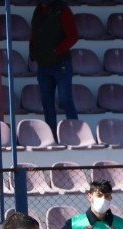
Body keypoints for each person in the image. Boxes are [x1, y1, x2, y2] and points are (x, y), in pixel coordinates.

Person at [29, 0, 80, 136]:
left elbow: (73, 36)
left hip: (60, 63)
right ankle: (51, 135)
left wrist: (57, 51)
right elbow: (34, 34)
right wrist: (33, 52)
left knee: (65, 99)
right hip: (43, 65)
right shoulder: (38, 10)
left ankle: (75, 133)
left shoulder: (62, 10)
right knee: (47, 102)